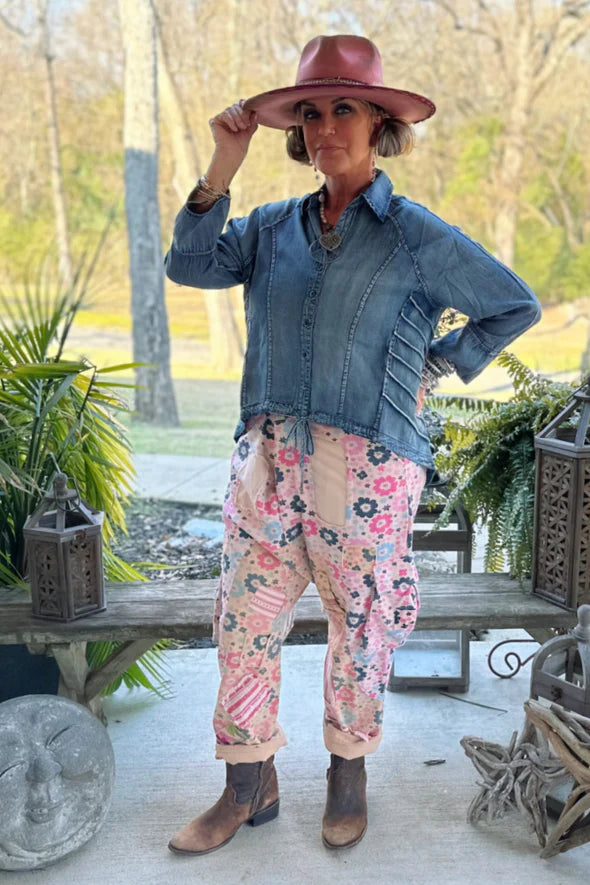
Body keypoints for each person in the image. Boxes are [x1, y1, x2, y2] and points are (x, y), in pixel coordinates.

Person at [164, 34, 541, 855]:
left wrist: (436, 361)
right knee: (243, 621)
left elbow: (514, 304)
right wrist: (224, 162)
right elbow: (188, 266)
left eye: (344, 108)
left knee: (361, 626)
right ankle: (247, 782)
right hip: (269, 460)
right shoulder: (271, 228)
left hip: (367, 466)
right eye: (310, 112)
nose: (325, 126)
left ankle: (347, 772)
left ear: (378, 123)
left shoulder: (414, 235)